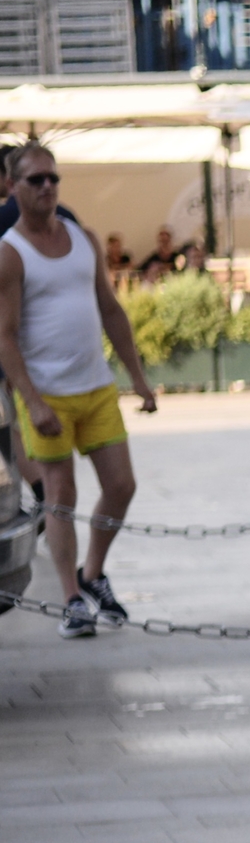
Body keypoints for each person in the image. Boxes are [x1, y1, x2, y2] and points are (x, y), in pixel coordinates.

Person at [0, 145, 155, 637]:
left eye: (53, 178)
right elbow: (3, 335)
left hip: (96, 386)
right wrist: (32, 399)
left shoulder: (83, 238)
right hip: (48, 394)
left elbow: (110, 309)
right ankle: (71, 597)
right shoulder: (10, 252)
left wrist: (138, 376)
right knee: (60, 493)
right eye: (35, 180)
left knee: (122, 485)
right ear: (13, 186)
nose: (47, 187)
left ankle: (93, 573)